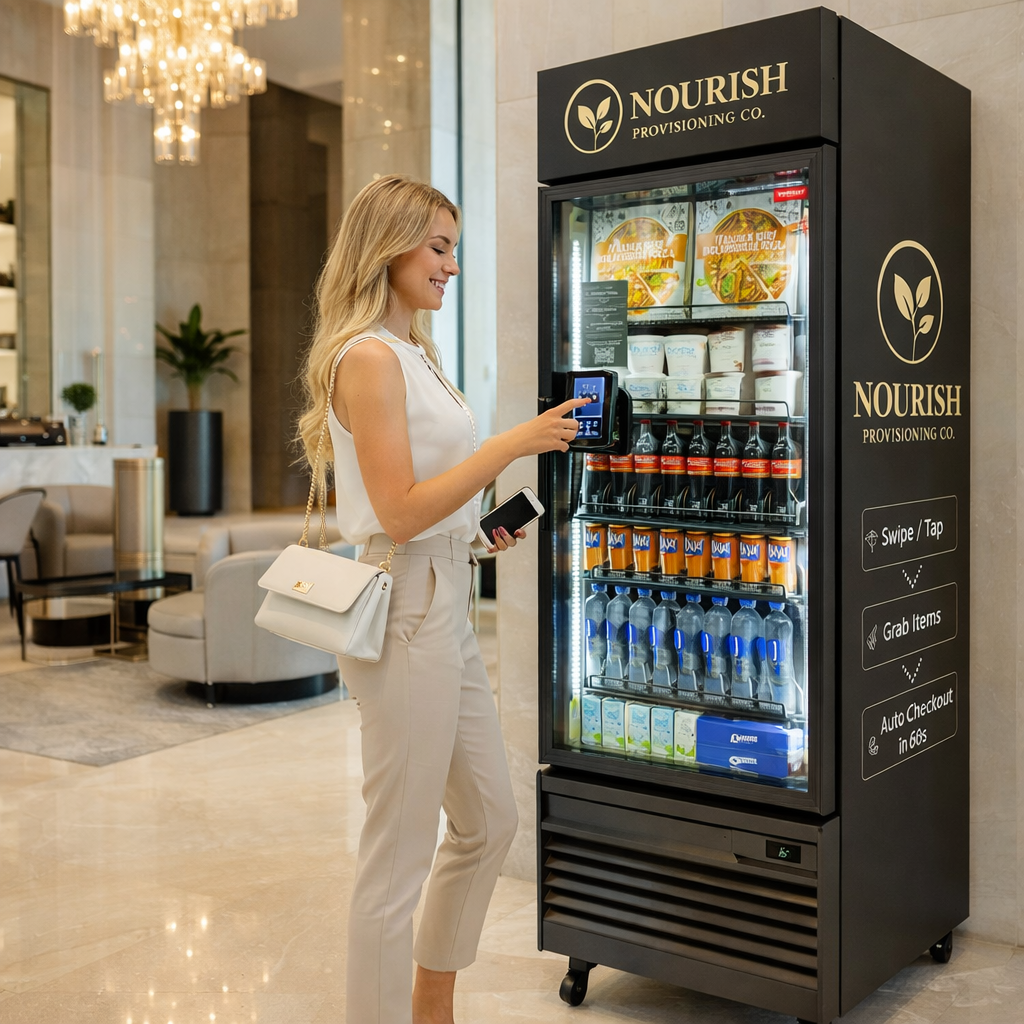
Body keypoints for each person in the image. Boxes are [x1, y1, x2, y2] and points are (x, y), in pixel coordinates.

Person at [297, 174, 585, 1024]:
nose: (451, 265)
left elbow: (430, 502)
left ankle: (431, 1001)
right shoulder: (367, 358)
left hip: (444, 592)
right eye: (438, 246)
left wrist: (477, 531)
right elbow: (395, 510)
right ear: (388, 246)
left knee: (490, 821)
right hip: (404, 608)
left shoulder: (416, 352)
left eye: (453, 246)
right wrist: (510, 445)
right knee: (396, 856)